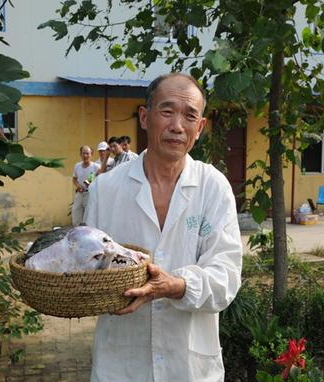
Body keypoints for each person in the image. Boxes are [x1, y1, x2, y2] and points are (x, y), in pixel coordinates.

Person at [85, 73, 242, 381]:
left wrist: (177, 285)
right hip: (121, 365)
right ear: (145, 117)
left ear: (200, 128)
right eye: (167, 111)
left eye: (189, 116)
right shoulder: (105, 189)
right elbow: (89, 265)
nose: (177, 126)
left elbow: (227, 276)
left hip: (189, 366)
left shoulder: (213, 187)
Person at [71, 145, 100, 226]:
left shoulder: (96, 167)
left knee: (88, 217)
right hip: (79, 193)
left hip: (90, 194)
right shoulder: (77, 165)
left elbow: (99, 180)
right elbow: (74, 179)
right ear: (80, 154)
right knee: (76, 214)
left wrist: (90, 183)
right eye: (83, 153)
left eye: (87, 153)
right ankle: (77, 233)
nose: (85, 156)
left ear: (91, 154)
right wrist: (78, 186)